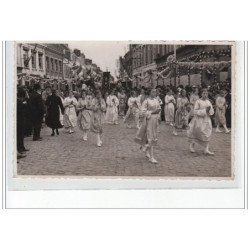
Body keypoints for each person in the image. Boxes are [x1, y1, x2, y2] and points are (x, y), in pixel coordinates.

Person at [135, 88, 161, 164]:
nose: (155, 93)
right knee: (150, 136)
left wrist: (158, 115)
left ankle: (146, 149)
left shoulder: (156, 100)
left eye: (155, 92)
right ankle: (152, 157)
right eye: (153, 92)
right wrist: (152, 112)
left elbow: (159, 108)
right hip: (149, 120)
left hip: (155, 120)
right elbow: (142, 112)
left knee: (153, 136)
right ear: (149, 93)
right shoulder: (146, 101)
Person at [187, 88, 215, 155]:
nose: (205, 95)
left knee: (207, 133)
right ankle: (192, 146)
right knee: (196, 133)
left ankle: (206, 149)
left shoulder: (208, 102)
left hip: (206, 119)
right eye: (204, 93)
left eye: (206, 93)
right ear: (201, 94)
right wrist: (205, 110)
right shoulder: (198, 101)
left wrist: (209, 111)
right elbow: (195, 111)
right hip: (199, 120)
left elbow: (212, 111)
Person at [17, 87, 29, 159]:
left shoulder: (20, 101)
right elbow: (27, 102)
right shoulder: (21, 102)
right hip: (20, 120)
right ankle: (20, 148)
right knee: (20, 135)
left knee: (21, 135)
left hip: (21, 120)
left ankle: (21, 147)